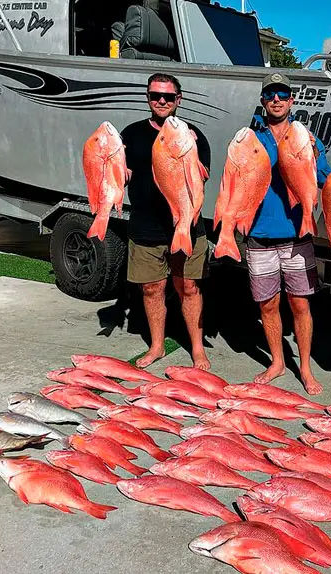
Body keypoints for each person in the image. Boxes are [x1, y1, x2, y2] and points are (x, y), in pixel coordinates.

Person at [245, 72, 331, 394]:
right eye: (270, 94)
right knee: (267, 305)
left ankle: (305, 368)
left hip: (298, 234)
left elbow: (324, 179)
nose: (276, 99)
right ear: (264, 101)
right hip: (259, 233)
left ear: (291, 100)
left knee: (300, 305)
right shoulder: (253, 138)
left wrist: (315, 154)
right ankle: (278, 362)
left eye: (282, 94)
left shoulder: (306, 138)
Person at [121, 73, 211, 370]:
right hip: (146, 228)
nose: (161, 101)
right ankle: (157, 346)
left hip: (185, 226)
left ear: (179, 100)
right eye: (155, 95)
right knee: (151, 288)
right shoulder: (131, 134)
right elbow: (120, 175)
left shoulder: (194, 136)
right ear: (147, 98)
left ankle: (197, 350)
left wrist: (192, 152)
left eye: (168, 97)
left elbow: (201, 182)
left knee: (189, 288)